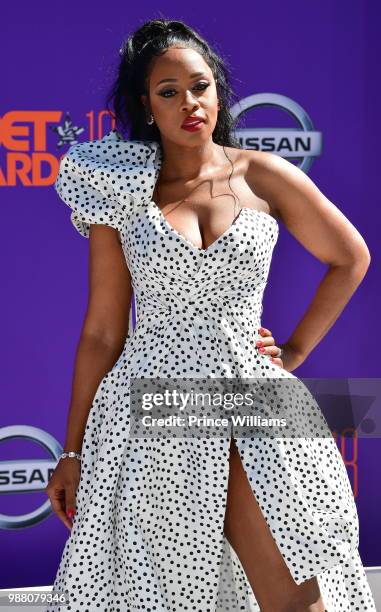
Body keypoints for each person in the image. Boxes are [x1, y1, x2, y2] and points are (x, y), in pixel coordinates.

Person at [44, 18, 376, 612]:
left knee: (299, 598)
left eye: (199, 86)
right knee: (170, 600)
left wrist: (292, 354)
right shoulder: (116, 190)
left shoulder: (263, 174)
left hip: (253, 399)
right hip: (152, 404)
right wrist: (71, 452)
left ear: (218, 91)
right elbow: (101, 331)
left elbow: (350, 258)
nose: (189, 103)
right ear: (146, 107)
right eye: (168, 92)